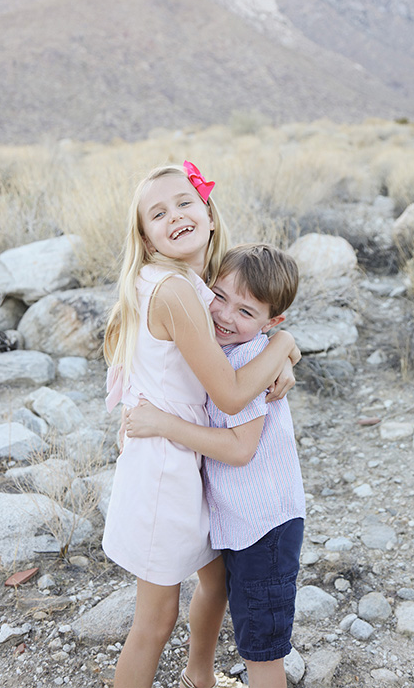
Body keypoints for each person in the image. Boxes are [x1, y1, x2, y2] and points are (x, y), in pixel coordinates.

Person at [102, 164, 302, 688]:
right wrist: (283, 345)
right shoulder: (175, 291)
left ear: (209, 214)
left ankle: (200, 676)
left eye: (184, 202)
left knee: (215, 583)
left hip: (195, 463)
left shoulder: (199, 286)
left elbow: (232, 351)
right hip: (167, 466)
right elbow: (231, 393)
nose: (175, 216)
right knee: (155, 619)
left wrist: (279, 354)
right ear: (146, 237)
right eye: (158, 213)